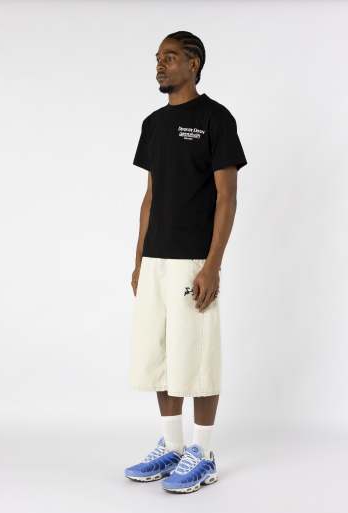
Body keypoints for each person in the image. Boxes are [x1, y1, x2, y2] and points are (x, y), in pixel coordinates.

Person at [124, 30, 248, 494]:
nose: (160, 64)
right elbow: (150, 196)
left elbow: (227, 197)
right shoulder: (153, 124)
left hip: (193, 259)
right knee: (159, 354)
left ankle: (204, 452)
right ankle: (173, 446)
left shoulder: (216, 118)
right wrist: (138, 260)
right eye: (158, 57)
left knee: (197, 355)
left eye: (170, 57)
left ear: (193, 63)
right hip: (156, 259)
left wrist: (212, 265)